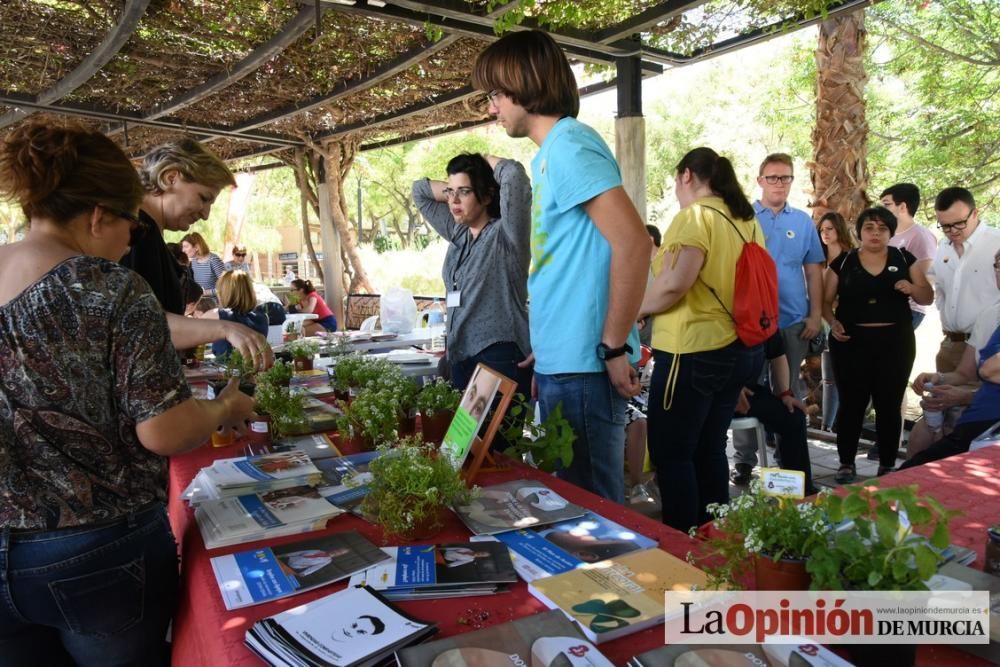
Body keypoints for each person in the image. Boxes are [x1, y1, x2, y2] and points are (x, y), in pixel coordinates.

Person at [0, 121, 255, 664]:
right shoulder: (111, 288)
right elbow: (163, 431)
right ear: (98, 216)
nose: (130, 239)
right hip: (99, 551)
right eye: (128, 227)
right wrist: (225, 406)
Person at [473, 30, 651, 504]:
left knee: (593, 521)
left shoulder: (570, 145)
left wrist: (613, 348)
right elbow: (571, 264)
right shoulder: (551, 154)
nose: (492, 107)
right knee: (570, 511)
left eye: (495, 93)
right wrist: (549, 347)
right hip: (564, 361)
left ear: (522, 83)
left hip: (587, 367)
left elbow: (634, 244)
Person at [638, 147, 765, 531]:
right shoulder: (746, 220)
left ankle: (681, 545)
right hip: (738, 349)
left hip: (692, 350)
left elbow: (674, 284)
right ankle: (712, 539)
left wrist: (632, 312)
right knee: (709, 447)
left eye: (676, 181)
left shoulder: (694, 217)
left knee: (672, 454)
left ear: (687, 176)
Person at [121, 137, 272, 369]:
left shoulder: (150, 235)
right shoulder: (137, 234)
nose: (206, 215)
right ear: (170, 177)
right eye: (203, 198)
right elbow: (141, 324)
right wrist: (225, 328)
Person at [822, 207, 933, 482]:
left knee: (889, 402)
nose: (875, 233)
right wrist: (832, 322)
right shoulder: (844, 262)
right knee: (852, 403)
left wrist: (911, 287)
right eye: (869, 227)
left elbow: (927, 296)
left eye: (882, 228)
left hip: (895, 343)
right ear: (859, 232)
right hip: (850, 343)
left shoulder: (904, 258)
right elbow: (824, 302)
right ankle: (846, 463)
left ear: (891, 233)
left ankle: (886, 464)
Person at [412, 153, 531, 398]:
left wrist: (484, 160)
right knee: (464, 438)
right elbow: (419, 191)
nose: (453, 199)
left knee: (496, 437)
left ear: (487, 195)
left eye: (464, 192)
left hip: (499, 356)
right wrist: (458, 185)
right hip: (460, 355)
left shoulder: (506, 235)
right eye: (449, 191)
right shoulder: (459, 233)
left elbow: (514, 176)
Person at [900, 247, 1000, 469]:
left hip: (988, 429)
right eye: (999, 266)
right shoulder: (990, 316)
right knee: (916, 453)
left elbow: (989, 371)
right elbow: (965, 372)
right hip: (976, 423)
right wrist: (938, 380)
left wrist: (964, 396)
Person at [754, 153, 825, 400]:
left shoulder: (803, 221)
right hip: (753, 320)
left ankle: (786, 439)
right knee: (751, 389)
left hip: (793, 320)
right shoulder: (743, 218)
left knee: (788, 390)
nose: (779, 183)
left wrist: (815, 316)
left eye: (785, 178)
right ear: (760, 181)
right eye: (772, 178)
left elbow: (814, 271)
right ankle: (755, 440)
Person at [729, 333, 818, 495]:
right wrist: (730, 385)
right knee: (708, 438)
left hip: (747, 391)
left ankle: (798, 492)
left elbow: (777, 354)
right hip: (709, 388)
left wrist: (784, 393)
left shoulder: (764, 315)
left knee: (792, 416)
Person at [930, 187, 1000, 384]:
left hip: (989, 347)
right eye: (945, 226)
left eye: (959, 223)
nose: (952, 231)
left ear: (975, 213)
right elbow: (940, 291)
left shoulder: (996, 243)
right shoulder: (943, 247)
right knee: (946, 408)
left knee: (981, 410)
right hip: (950, 344)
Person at [815, 211, 855, 432]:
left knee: (844, 376)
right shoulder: (817, 260)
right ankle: (826, 425)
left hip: (842, 321)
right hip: (819, 320)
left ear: (839, 230)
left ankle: (841, 424)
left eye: (829, 229)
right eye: (822, 229)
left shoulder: (851, 258)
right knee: (828, 377)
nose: (825, 233)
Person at [880, 183, 936, 330]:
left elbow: (926, 279)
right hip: (884, 306)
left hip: (909, 309)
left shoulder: (921, 236)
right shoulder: (887, 234)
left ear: (903, 207)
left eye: (887, 205)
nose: (882, 211)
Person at [197, 270, 269, 358]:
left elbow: (189, 336)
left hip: (226, 369)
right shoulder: (262, 317)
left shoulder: (215, 315)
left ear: (223, 292)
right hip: (254, 367)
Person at [181, 231, 225, 297]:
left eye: (186, 246)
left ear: (196, 247)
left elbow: (226, 286)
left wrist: (205, 292)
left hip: (215, 302)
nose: (183, 250)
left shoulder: (213, 260)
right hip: (200, 301)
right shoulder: (194, 261)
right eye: (183, 247)